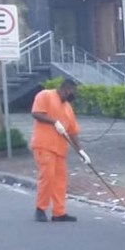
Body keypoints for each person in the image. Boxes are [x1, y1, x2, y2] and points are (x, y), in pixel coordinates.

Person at [31, 79, 90, 222]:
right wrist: (54, 122)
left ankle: (59, 212)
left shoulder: (68, 107)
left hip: (59, 149)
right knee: (47, 178)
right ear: (65, 89)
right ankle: (40, 209)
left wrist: (81, 152)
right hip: (44, 146)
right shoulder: (45, 95)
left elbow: (73, 131)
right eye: (73, 91)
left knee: (60, 181)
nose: (74, 94)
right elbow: (36, 113)